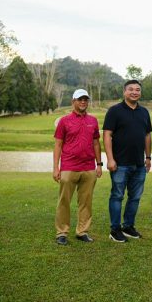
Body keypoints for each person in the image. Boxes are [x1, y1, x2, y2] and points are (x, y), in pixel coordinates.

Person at [103, 80, 152, 243]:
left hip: (139, 164)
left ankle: (128, 226)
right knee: (117, 196)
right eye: (131, 89)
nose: (134, 92)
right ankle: (115, 229)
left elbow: (147, 135)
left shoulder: (144, 112)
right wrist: (110, 159)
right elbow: (107, 134)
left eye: (137, 89)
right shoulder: (115, 111)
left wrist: (147, 157)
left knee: (135, 197)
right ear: (124, 92)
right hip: (120, 164)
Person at [53, 89, 103, 245]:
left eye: (85, 99)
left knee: (86, 202)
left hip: (88, 167)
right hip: (69, 167)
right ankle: (62, 232)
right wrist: (56, 167)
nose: (83, 102)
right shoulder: (64, 121)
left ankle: (82, 231)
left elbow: (96, 143)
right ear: (73, 101)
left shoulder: (93, 121)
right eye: (80, 99)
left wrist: (99, 164)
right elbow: (58, 145)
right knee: (64, 201)